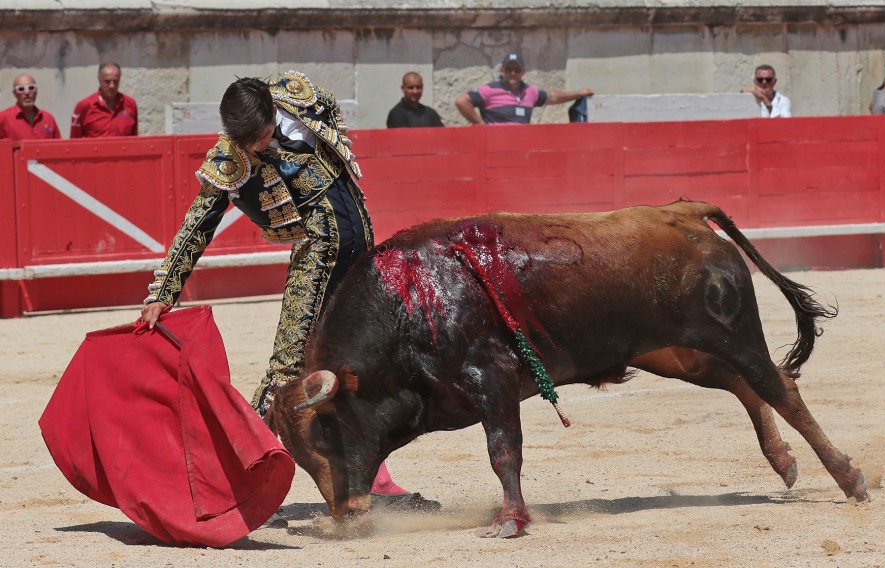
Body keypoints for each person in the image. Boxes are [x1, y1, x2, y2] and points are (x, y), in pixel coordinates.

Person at [139, 72, 440, 511]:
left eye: (259, 138)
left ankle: (371, 482)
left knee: (359, 366)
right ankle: (229, 477)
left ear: (272, 114)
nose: (255, 149)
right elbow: (197, 224)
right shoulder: (232, 156)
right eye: (244, 142)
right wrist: (164, 290)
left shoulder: (297, 100)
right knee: (287, 371)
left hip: (360, 249)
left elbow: (332, 113)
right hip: (317, 260)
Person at [455, 52, 594, 125]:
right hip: (494, 147)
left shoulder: (530, 92)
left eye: (516, 69)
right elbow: (462, 101)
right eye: (509, 69)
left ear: (523, 71)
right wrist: (480, 124)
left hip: (520, 148)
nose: (513, 73)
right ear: (502, 70)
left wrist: (577, 93)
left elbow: (552, 97)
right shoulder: (489, 90)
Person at [70, 62, 139, 139]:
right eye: (107, 81)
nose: (112, 86)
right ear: (99, 79)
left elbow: (134, 140)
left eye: (115, 81)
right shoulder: (83, 106)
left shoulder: (130, 104)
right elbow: (74, 142)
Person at [0, 74, 61, 141]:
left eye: (31, 88)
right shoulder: (3, 119)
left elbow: (59, 147)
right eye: (21, 89)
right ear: (14, 93)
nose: (27, 92)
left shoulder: (48, 119)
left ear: (36, 91)